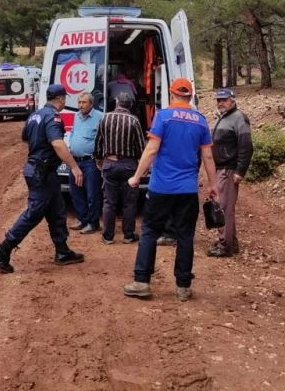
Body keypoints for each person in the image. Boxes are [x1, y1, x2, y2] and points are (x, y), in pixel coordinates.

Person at [123, 78, 218, 302]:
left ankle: (142, 282)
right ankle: (183, 287)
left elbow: (151, 149)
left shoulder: (163, 116)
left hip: (161, 188)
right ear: (190, 95)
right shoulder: (201, 121)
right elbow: (207, 156)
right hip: (187, 190)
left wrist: (136, 176)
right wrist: (213, 185)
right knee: (185, 236)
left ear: (171, 93)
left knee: (149, 232)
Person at [0, 84, 85, 274]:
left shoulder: (35, 115)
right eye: (64, 97)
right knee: (34, 213)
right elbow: (58, 143)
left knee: (57, 211)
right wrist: (74, 167)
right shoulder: (53, 117)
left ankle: (62, 251)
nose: (65, 100)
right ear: (60, 98)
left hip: (41, 171)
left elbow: (25, 137)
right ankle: (4, 248)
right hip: (42, 173)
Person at [207, 88, 254, 258]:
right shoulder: (224, 117)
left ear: (232, 100)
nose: (220, 102)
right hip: (221, 169)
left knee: (223, 208)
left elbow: (246, 146)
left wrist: (240, 171)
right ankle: (231, 243)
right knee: (225, 206)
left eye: (224, 100)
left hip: (229, 169)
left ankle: (225, 246)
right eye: (218, 100)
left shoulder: (239, 118)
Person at [94, 92, 145, 244]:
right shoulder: (134, 121)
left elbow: (98, 142)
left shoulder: (105, 117)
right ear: (130, 105)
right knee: (129, 202)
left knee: (109, 201)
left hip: (109, 163)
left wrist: (99, 159)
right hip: (129, 165)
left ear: (116, 103)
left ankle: (108, 236)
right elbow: (141, 147)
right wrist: (141, 166)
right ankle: (128, 235)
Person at [66, 92, 103, 234]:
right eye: (79, 102)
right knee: (75, 191)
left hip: (90, 162)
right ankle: (82, 219)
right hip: (75, 161)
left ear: (91, 104)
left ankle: (93, 223)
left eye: (84, 102)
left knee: (92, 194)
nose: (80, 105)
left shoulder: (100, 117)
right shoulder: (76, 116)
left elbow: (103, 138)